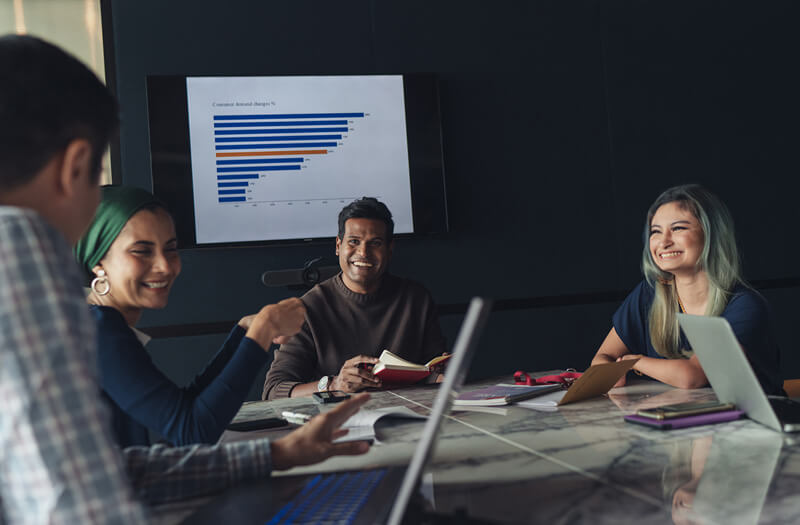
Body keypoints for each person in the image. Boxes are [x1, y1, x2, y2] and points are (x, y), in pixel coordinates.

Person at [0, 34, 369, 523]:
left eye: (170, 249)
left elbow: (113, 470)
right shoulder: (24, 265)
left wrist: (279, 454)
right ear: (75, 165)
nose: (164, 266)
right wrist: (257, 335)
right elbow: (89, 500)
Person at [74, 186, 299, 447]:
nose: (165, 266)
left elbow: (184, 409)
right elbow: (192, 431)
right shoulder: (100, 329)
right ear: (98, 261)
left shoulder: (94, 321)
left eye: (170, 249)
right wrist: (263, 331)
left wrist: (245, 333)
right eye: (141, 251)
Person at [591, 184, 783, 394]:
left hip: (750, 425)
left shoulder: (745, 305)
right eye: (656, 232)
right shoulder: (649, 293)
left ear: (712, 235)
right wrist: (608, 372)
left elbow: (692, 376)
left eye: (678, 228)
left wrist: (633, 361)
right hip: (683, 420)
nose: (663, 242)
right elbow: (602, 358)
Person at [263, 197, 447, 399]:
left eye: (375, 243)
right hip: (337, 422)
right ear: (338, 246)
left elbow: (430, 371)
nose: (363, 253)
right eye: (354, 242)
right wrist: (334, 384)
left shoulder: (416, 299)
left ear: (389, 249)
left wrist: (443, 377)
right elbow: (274, 391)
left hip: (408, 415)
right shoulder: (308, 308)